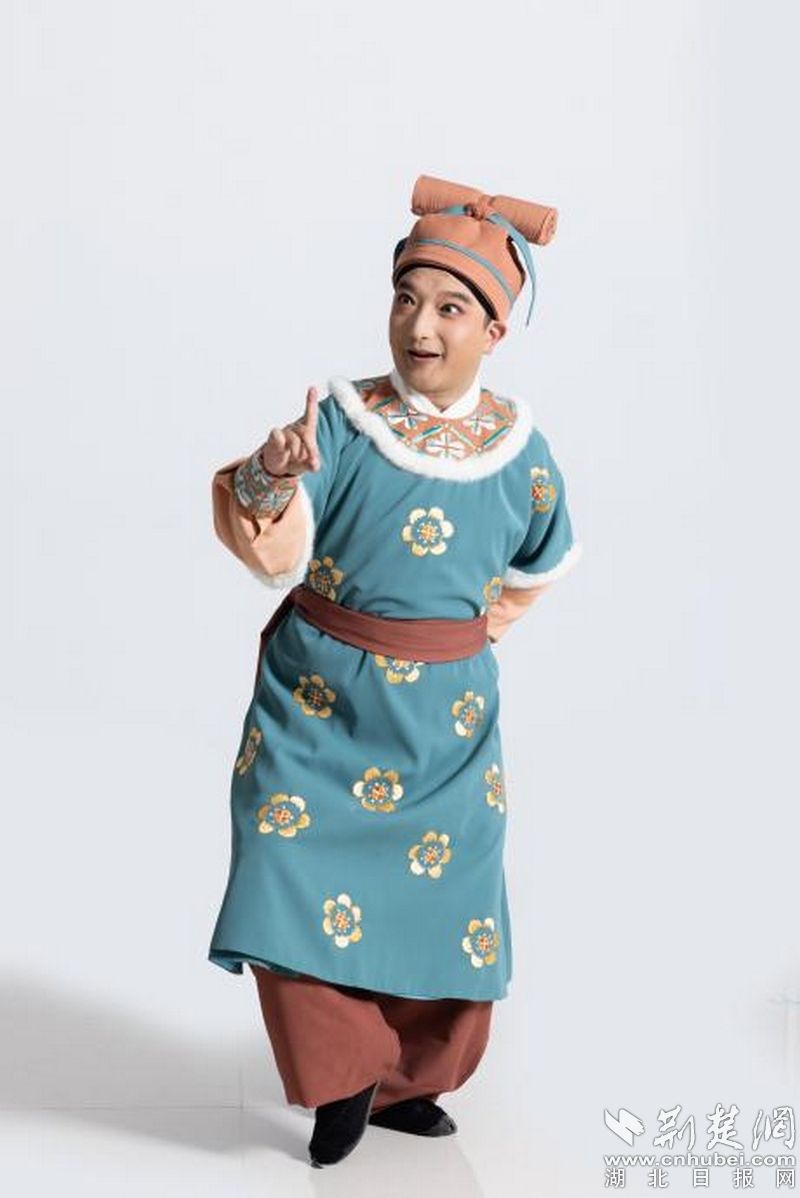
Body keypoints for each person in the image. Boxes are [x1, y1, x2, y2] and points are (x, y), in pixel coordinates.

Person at [207, 173, 583, 1166]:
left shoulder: (520, 451)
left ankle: (404, 1082)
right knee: (282, 865)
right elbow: (274, 549)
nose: (420, 325)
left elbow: (538, 562)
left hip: (446, 727)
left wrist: (463, 638)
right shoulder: (340, 421)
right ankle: (339, 1074)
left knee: (447, 893)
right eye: (407, 299)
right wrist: (273, 473)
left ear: (494, 330)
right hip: (316, 704)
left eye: (451, 308)